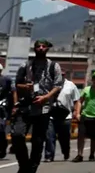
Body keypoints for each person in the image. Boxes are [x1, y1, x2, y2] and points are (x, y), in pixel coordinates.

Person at [12, 39, 63, 173]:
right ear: (34, 49)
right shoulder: (26, 65)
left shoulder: (54, 66)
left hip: (43, 108)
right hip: (25, 106)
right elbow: (16, 84)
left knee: (38, 141)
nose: (40, 48)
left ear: (47, 49)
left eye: (43, 46)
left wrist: (46, 97)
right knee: (17, 135)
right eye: (38, 46)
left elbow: (58, 86)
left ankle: (32, 168)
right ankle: (24, 165)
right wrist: (25, 86)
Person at [44, 72, 79, 162]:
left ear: (65, 75)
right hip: (51, 115)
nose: (60, 76)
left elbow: (76, 100)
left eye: (62, 75)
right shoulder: (49, 84)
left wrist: (76, 111)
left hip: (65, 116)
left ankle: (66, 152)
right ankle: (49, 156)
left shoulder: (70, 85)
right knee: (49, 136)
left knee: (64, 138)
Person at [0, 63, 12, 159]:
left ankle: (3, 148)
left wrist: (13, 107)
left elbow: (12, 92)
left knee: (1, 129)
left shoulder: (6, 80)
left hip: (2, 108)